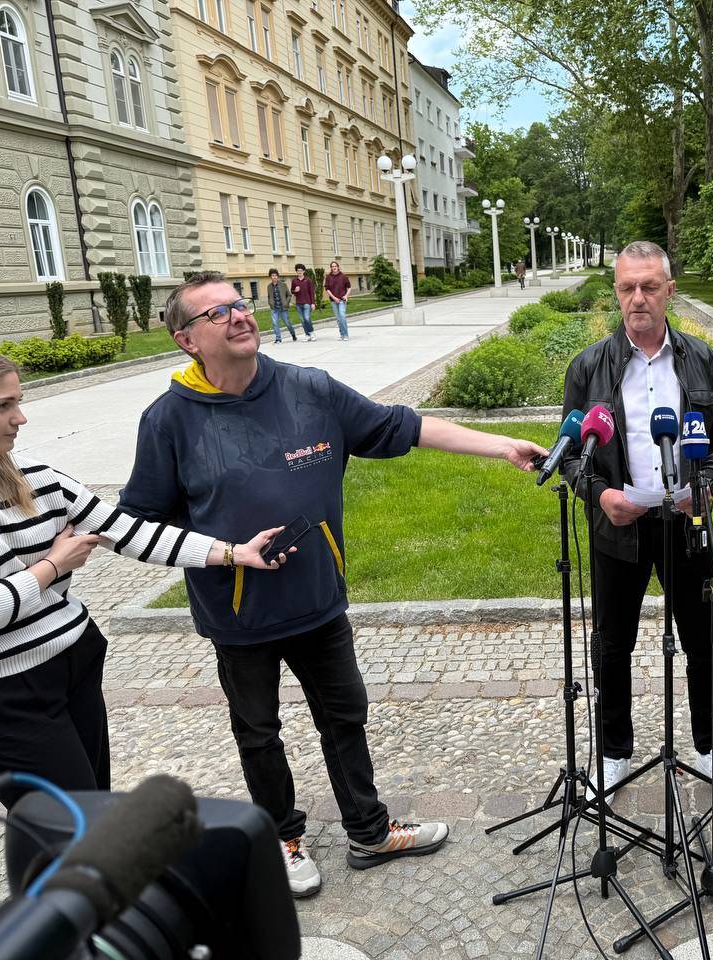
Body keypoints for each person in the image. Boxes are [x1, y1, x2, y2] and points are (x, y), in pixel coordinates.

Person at [119, 273, 547, 898]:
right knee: (258, 732)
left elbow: (405, 426)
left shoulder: (309, 390)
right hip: (239, 615)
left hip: (317, 601)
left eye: (240, 304)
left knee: (345, 717)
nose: (239, 316)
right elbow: (138, 523)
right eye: (218, 313)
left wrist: (501, 444)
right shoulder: (168, 420)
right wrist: (224, 554)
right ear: (187, 340)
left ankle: (369, 831)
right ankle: (280, 838)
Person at [0, 349, 291, 811]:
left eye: (19, 402)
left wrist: (233, 553)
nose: (20, 418)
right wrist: (51, 568)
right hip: (3, 692)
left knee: (90, 809)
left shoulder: (37, 480)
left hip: (74, 663)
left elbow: (130, 532)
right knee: (67, 823)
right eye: (3, 406)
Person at [561, 241, 713, 806]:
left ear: (669, 290)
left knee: (703, 641)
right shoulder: (589, 365)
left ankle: (711, 748)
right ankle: (614, 753)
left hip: (686, 523)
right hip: (618, 526)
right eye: (627, 288)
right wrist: (600, 495)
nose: (637, 298)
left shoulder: (699, 359)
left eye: (648, 286)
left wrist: (706, 484)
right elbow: (569, 454)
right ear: (616, 292)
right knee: (612, 645)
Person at [266, 268, 297, 343]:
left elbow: (289, 295)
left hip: (283, 308)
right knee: (275, 323)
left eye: (275, 275)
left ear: (277, 276)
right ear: (270, 277)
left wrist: (286, 303)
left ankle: (293, 334)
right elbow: (269, 296)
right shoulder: (269, 286)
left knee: (287, 323)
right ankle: (278, 338)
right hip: (274, 309)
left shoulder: (283, 285)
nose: (274, 277)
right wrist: (270, 303)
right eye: (272, 275)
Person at [324, 260, 352, 341]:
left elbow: (349, 287)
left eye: (335, 266)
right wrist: (334, 298)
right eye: (332, 267)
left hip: (342, 300)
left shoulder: (343, 276)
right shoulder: (328, 277)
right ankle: (342, 334)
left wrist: (346, 296)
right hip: (333, 300)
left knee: (342, 316)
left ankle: (345, 335)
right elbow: (327, 289)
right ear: (331, 268)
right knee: (338, 318)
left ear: (338, 267)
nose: (334, 268)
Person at [289, 263, 317, 341]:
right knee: (302, 320)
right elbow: (292, 291)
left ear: (304, 271)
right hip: (298, 304)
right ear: (296, 272)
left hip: (307, 303)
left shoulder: (308, 280)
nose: (299, 272)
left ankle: (312, 333)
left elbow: (312, 292)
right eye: (298, 270)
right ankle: (307, 335)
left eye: (301, 270)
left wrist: (313, 303)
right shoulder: (294, 281)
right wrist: (295, 290)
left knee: (306, 318)